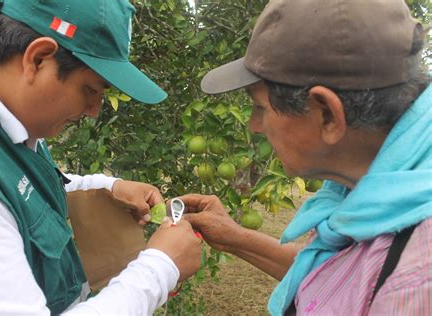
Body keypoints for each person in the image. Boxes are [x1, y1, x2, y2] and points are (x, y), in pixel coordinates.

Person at [180, 0, 431, 315]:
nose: (254, 127)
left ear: (327, 114)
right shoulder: (375, 191)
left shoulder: (415, 281)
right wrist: (235, 238)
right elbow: (337, 277)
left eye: (260, 108)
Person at [0, 0, 201, 315]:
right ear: (39, 58)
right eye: (90, 89)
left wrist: (107, 186)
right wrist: (160, 267)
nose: (94, 110)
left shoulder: (4, 114)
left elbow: (18, 183)